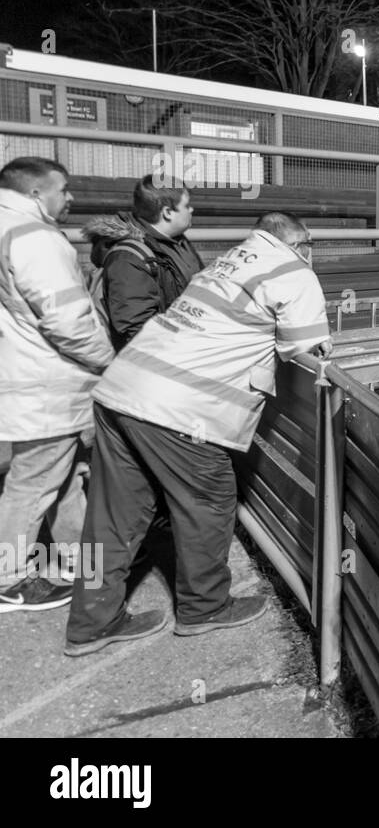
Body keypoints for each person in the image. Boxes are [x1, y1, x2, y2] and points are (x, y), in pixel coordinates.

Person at [65, 212, 332, 656]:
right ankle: (204, 607)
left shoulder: (226, 261)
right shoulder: (294, 272)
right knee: (208, 500)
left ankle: (90, 622)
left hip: (122, 389)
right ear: (301, 243)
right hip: (180, 408)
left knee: (110, 517)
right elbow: (305, 347)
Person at [0, 158, 115, 614]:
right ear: (34, 193)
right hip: (46, 381)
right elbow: (67, 321)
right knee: (33, 483)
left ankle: (79, 559)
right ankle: (9, 580)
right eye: (62, 190)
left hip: (30, 376)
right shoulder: (36, 238)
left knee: (63, 477)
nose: (70, 199)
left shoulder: (9, 228)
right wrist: (109, 361)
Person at [83, 174, 204, 350]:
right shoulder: (128, 257)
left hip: (187, 346)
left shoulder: (177, 241)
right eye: (186, 206)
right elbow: (135, 329)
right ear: (167, 213)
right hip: (163, 358)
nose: (191, 210)